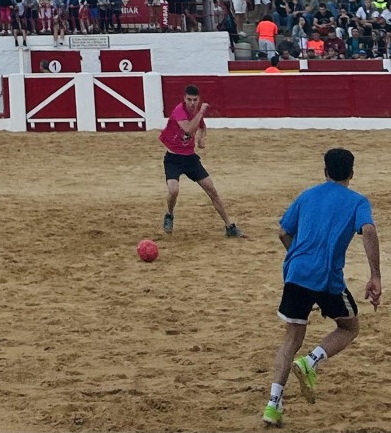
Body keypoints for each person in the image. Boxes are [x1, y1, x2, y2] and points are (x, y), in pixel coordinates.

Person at [261, 148, 381, 427]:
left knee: (291, 338)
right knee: (350, 326)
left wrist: (298, 258)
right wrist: (375, 275)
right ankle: (310, 362)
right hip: (327, 279)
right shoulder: (357, 201)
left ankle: (272, 405)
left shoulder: (307, 195)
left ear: (324, 171)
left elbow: (283, 231)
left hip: (295, 274)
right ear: (351, 174)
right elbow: (370, 231)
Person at [159, 85, 244, 238]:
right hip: (173, 158)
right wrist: (202, 111)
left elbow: (202, 127)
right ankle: (169, 215)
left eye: (195, 100)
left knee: (211, 190)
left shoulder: (196, 113)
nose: (192, 103)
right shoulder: (180, 110)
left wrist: (201, 139)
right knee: (173, 190)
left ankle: (229, 226)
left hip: (190, 158)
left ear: (198, 100)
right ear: (184, 99)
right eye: (189, 100)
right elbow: (188, 129)